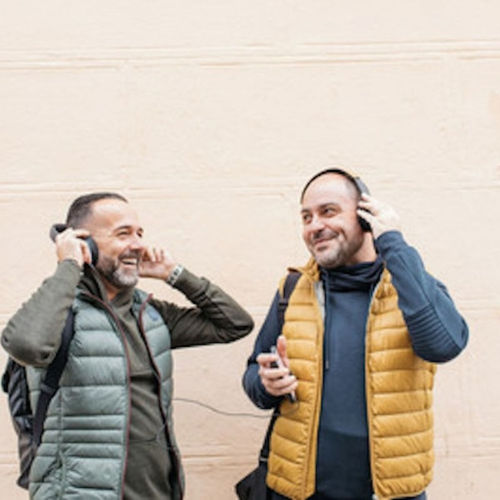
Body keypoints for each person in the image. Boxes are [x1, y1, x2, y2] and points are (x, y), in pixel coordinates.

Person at [1, 192, 254, 500]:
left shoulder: (150, 313)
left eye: (139, 234)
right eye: (123, 234)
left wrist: (174, 274)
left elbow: (234, 324)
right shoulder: (59, 313)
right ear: (85, 242)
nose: (138, 245)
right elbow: (25, 345)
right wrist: (69, 264)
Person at [242, 169, 469, 500]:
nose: (314, 226)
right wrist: (266, 384)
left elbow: (444, 346)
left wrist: (393, 242)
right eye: (306, 217)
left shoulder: (410, 286)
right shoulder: (292, 289)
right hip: (297, 493)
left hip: (390, 494)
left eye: (328, 211)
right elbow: (253, 374)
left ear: (365, 217)